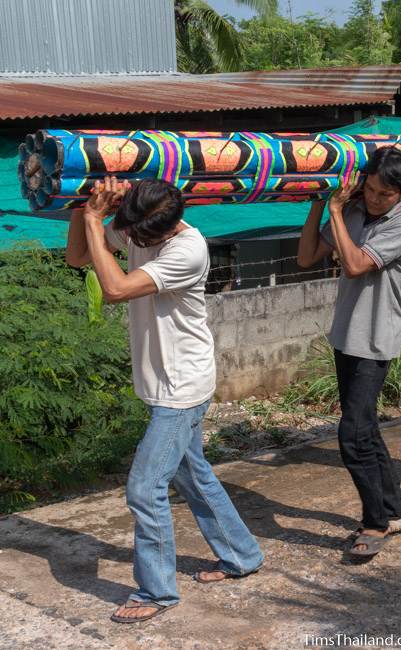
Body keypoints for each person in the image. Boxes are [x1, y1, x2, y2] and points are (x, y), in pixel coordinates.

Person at [65, 176, 263, 623]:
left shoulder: (187, 249)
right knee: (194, 477)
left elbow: (114, 289)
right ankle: (242, 555)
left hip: (181, 389)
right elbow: (79, 256)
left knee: (145, 488)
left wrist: (97, 220)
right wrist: (83, 207)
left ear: (166, 227)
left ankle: (156, 593)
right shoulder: (142, 224)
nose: (131, 240)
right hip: (164, 384)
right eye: (128, 230)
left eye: (137, 236)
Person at [297, 147, 401, 558]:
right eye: (368, 189)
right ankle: (396, 510)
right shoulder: (352, 211)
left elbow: (353, 265)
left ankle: (375, 522)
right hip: (345, 335)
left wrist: (335, 212)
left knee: (351, 434)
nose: (372, 198)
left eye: (383, 194)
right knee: (364, 427)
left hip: (375, 339)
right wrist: (319, 205)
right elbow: (305, 257)